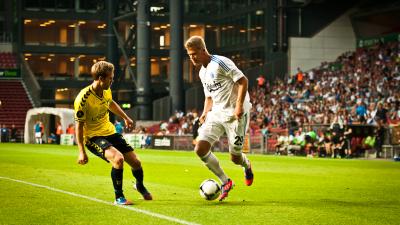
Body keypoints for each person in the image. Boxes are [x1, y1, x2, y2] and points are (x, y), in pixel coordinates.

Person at [185, 36, 254, 201]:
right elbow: (209, 97)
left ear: (203, 50)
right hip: (216, 113)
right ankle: (225, 181)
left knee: (235, 157)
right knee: (200, 149)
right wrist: (204, 112)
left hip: (236, 115)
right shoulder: (202, 72)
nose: (192, 57)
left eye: (194, 53)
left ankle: (247, 166)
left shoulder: (221, 63)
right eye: (189, 55)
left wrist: (238, 106)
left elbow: (243, 81)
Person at [74, 61, 152, 205]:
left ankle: (139, 186)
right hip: (93, 137)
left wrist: (125, 117)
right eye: (110, 78)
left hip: (110, 131)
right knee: (118, 159)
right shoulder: (82, 99)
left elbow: (110, 103)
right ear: (101, 78)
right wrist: (81, 151)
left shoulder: (106, 90)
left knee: (136, 162)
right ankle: (119, 197)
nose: (112, 80)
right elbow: (78, 126)